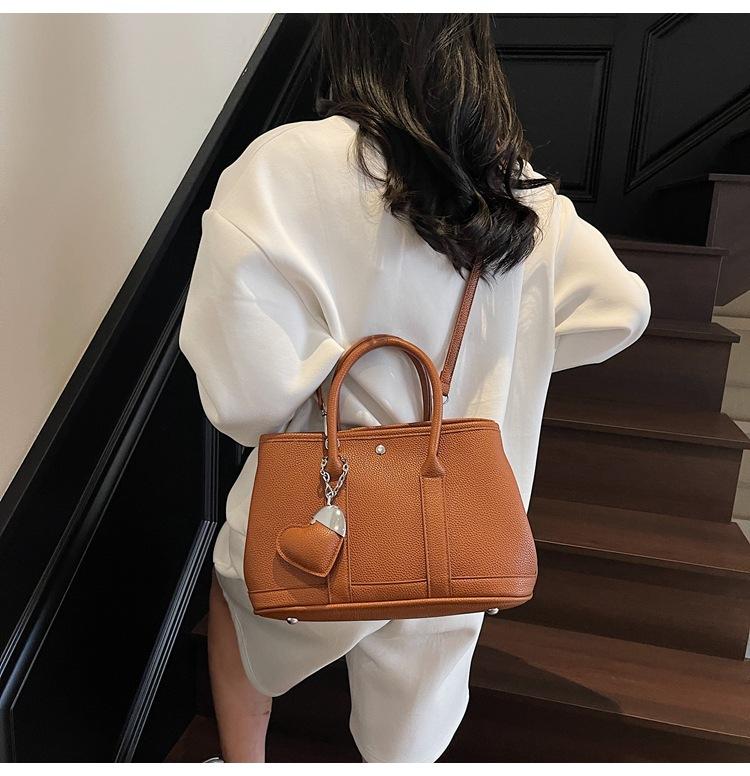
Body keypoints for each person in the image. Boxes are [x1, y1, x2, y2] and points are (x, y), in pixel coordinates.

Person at [178, 13, 651, 764]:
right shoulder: (522, 195)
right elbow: (624, 308)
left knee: (240, 599)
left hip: (323, 512)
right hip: (456, 522)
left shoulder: (283, 166)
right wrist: (511, 357)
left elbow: (245, 397)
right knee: (414, 722)